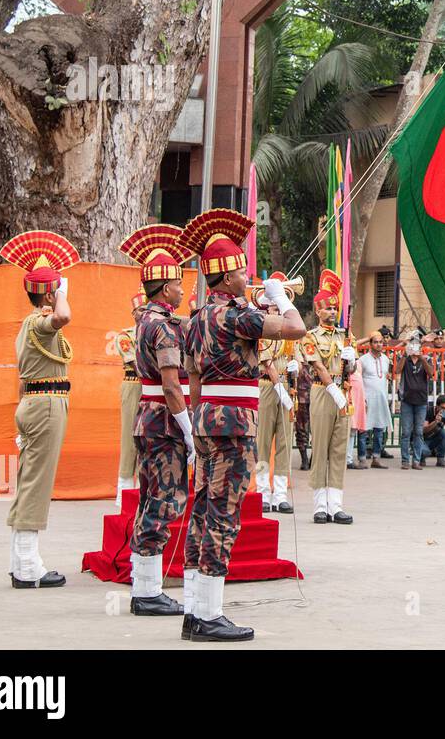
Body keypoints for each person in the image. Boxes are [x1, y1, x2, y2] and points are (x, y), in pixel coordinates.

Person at [179, 208, 307, 643]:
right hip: (234, 421)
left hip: (205, 420)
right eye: (241, 271)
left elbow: (193, 376)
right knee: (224, 514)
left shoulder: (196, 318)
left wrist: (196, 420)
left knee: (202, 510)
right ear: (228, 277)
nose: (245, 276)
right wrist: (281, 295)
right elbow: (296, 328)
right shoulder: (237, 316)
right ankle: (210, 614)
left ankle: (196, 608)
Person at [118, 224, 194, 617]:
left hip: (146, 421)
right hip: (164, 423)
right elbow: (170, 385)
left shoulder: (147, 319)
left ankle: (144, 585)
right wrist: (188, 428)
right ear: (165, 289)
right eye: (179, 284)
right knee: (164, 501)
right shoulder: (163, 325)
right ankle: (146, 591)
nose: (183, 290)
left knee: (151, 498)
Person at [0, 231, 80, 589]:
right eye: (53, 288)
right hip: (46, 404)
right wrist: (60, 291)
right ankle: (29, 567)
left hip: (35, 401)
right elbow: (64, 316)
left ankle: (22, 561)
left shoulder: (28, 325)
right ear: (47, 293)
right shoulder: (40, 323)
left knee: (29, 481)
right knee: (37, 483)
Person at [300, 269, 354, 522]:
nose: (332, 312)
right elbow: (318, 365)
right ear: (318, 311)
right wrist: (332, 388)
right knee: (320, 446)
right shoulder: (311, 336)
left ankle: (336, 504)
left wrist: (351, 361)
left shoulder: (346, 336)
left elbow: (349, 369)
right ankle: (320, 505)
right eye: (327, 309)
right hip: (323, 392)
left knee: (339, 448)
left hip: (344, 392)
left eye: (335, 309)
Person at [251, 273, 298, 513]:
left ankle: (280, 494)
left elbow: (294, 357)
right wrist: (279, 386)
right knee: (263, 440)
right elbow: (266, 362)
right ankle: (262, 491)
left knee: (284, 442)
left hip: (287, 389)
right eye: (270, 308)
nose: (274, 312)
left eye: (277, 308)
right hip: (267, 387)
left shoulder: (288, 333)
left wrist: (295, 369)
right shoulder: (261, 331)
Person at [114, 291, 146, 508]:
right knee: (129, 437)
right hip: (134, 385)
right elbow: (135, 363)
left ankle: (142, 491)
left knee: (147, 437)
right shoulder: (126, 336)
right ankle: (123, 491)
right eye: (140, 310)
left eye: (146, 309)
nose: (143, 314)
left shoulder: (155, 332)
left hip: (153, 387)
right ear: (133, 313)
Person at [395, 335, 435, 469]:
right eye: (412, 345)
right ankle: (405, 460)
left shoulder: (427, 359)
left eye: (416, 345)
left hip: (421, 401)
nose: (414, 348)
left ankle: (416, 460)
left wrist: (421, 357)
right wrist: (405, 354)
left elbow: (431, 373)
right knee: (406, 432)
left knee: (418, 432)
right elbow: (397, 370)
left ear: (421, 347)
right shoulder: (405, 359)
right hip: (406, 400)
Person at [358, 332, 392, 467]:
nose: (379, 345)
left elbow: (384, 378)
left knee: (379, 429)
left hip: (381, 400)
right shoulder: (363, 360)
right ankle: (362, 459)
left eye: (381, 342)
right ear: (370, 344)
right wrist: (362, 399)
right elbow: (359, 380)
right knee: (363, 430)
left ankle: (376, 459)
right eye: (376, 342)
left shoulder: (386, 359)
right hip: (367, 399)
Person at [420, 393, 445, 467]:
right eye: (443, 408)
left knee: (444, 433)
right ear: (437, 406)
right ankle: (420, 458)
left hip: (432, 440)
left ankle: (441, 459)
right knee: (425, 452)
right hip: (420, 439)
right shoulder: (428, 410)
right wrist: (435, 422)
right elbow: (424, 430)